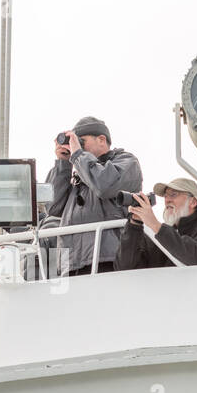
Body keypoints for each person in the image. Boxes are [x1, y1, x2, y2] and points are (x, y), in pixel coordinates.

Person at [46, 116, 142, 275]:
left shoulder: (127, 161)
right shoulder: (82, 172)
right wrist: (63, 163)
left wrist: (78, 154)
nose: (77, 146)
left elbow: (105, 185)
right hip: (72, 264)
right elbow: (53, 207)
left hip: (111, 261)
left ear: (102, 140)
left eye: (81, 141)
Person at [114, 177, 197, 270]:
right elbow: (124, 268)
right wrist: (134, 225)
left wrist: (155, 225)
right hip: (160, 296)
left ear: (193, 202)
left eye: (173, 195)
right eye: (166, 196)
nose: (167, 200)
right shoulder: (156, 235)